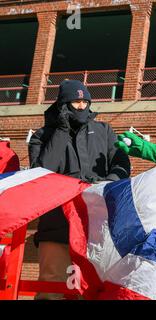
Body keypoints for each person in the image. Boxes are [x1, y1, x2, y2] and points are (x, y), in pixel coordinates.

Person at [28, 80, 130, 299]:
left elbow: (121, 165)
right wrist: (61, 130)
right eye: (76, 101)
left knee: (93, 288)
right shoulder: (41, 136)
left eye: (85, 101)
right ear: (63, 104)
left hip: (96, 226)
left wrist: (105, 184)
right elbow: (41, 172)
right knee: (52, 288)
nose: (82, 106)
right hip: (56, 225)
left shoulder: (104, 130)